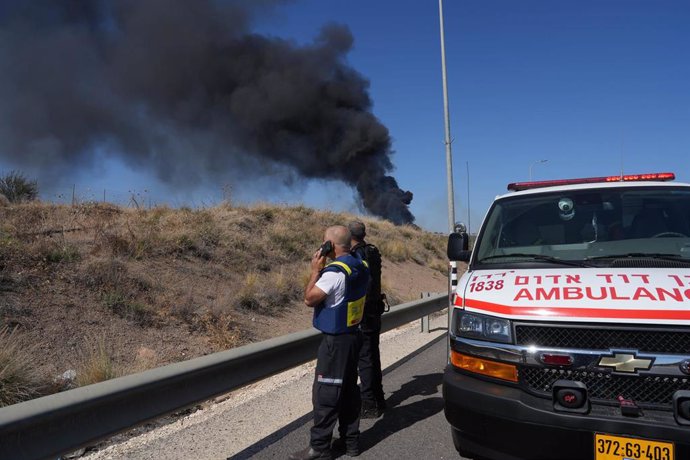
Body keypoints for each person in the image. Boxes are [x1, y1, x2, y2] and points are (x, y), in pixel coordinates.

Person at [290, 225, 370, 460]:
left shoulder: (334, 273)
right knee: (347, 391)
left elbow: (309, 299)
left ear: (331, 246)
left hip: (335, 343)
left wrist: (316, 270)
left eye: (325, 242)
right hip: (354, 336)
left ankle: (320, 448)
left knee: (326, 393)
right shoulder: (360, 264)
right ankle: (351, 442)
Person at [348, 220, 387, 419]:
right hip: (374, 310)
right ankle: (379, 399)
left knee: (365, 359)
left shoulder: (356, 255)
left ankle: (370, 404)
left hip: (364, 313)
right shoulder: (372, 250)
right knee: (373, 355)